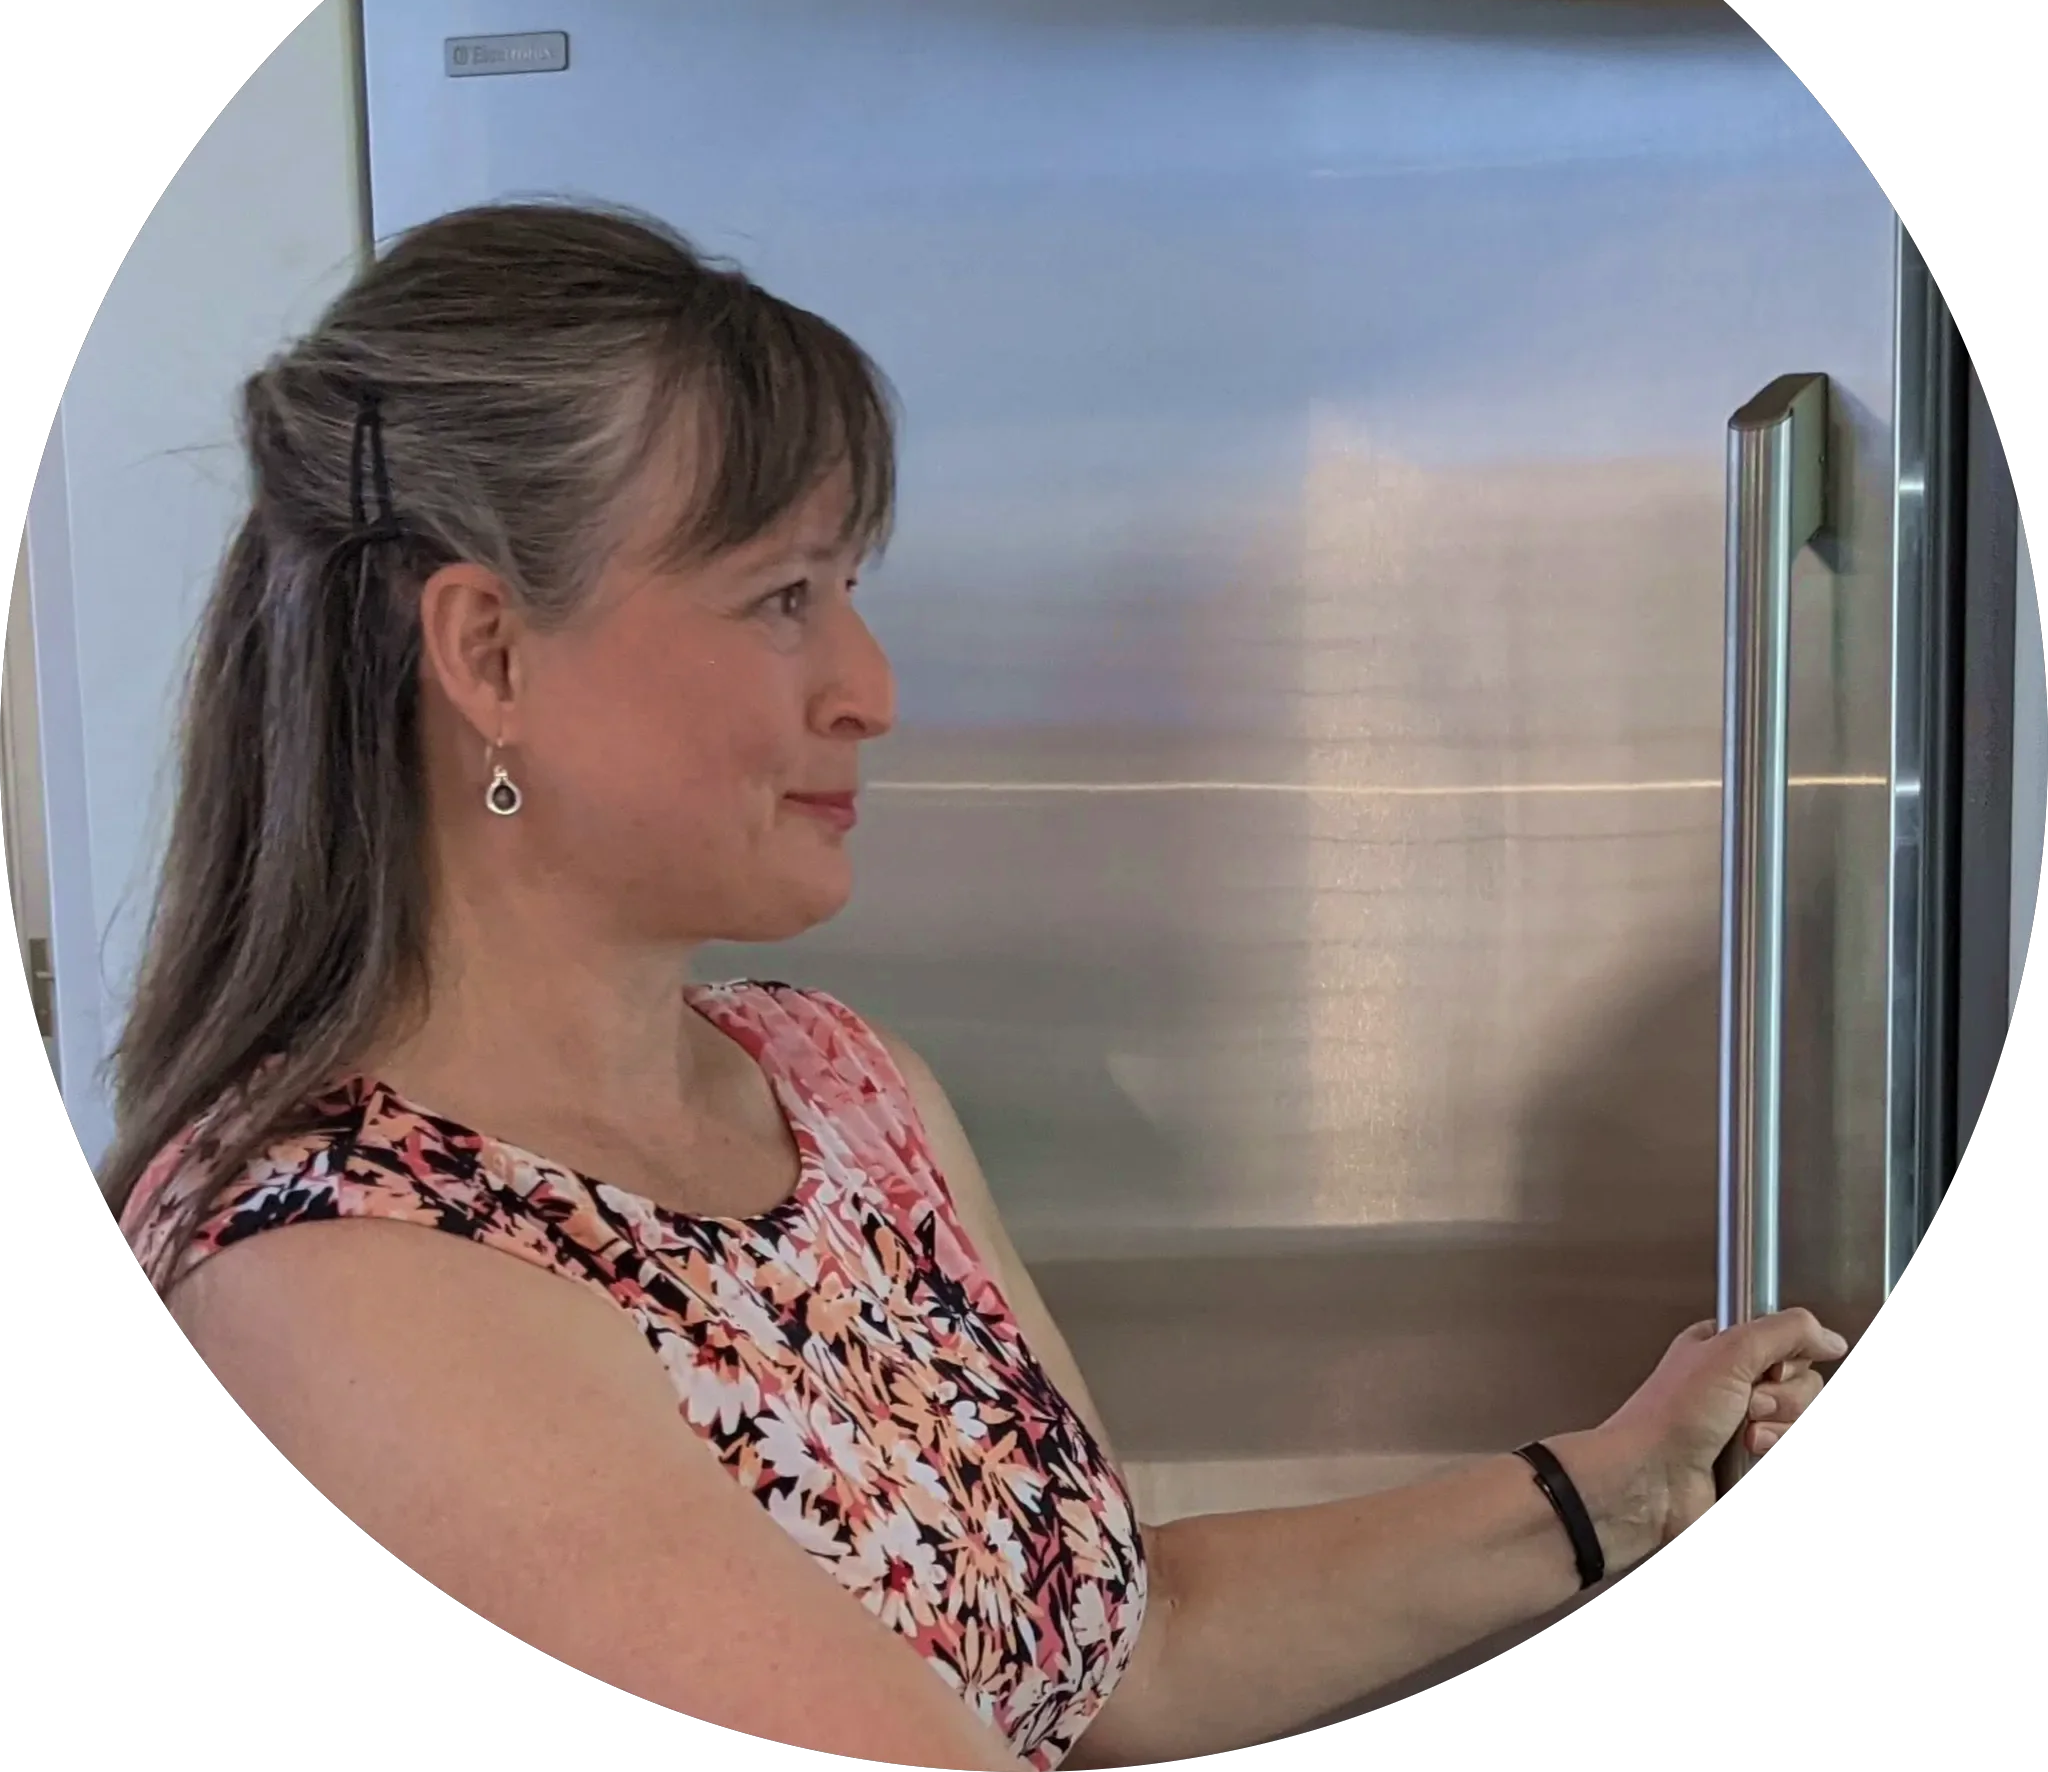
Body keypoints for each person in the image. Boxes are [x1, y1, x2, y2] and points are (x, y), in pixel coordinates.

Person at [104, 202, 1842, 1771]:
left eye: (847, 587)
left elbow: (1130, 1651)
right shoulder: (343, 1275)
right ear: (489, 654)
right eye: (782, 597)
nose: (869, 685)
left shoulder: (832, 1085)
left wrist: (1612, 1491)